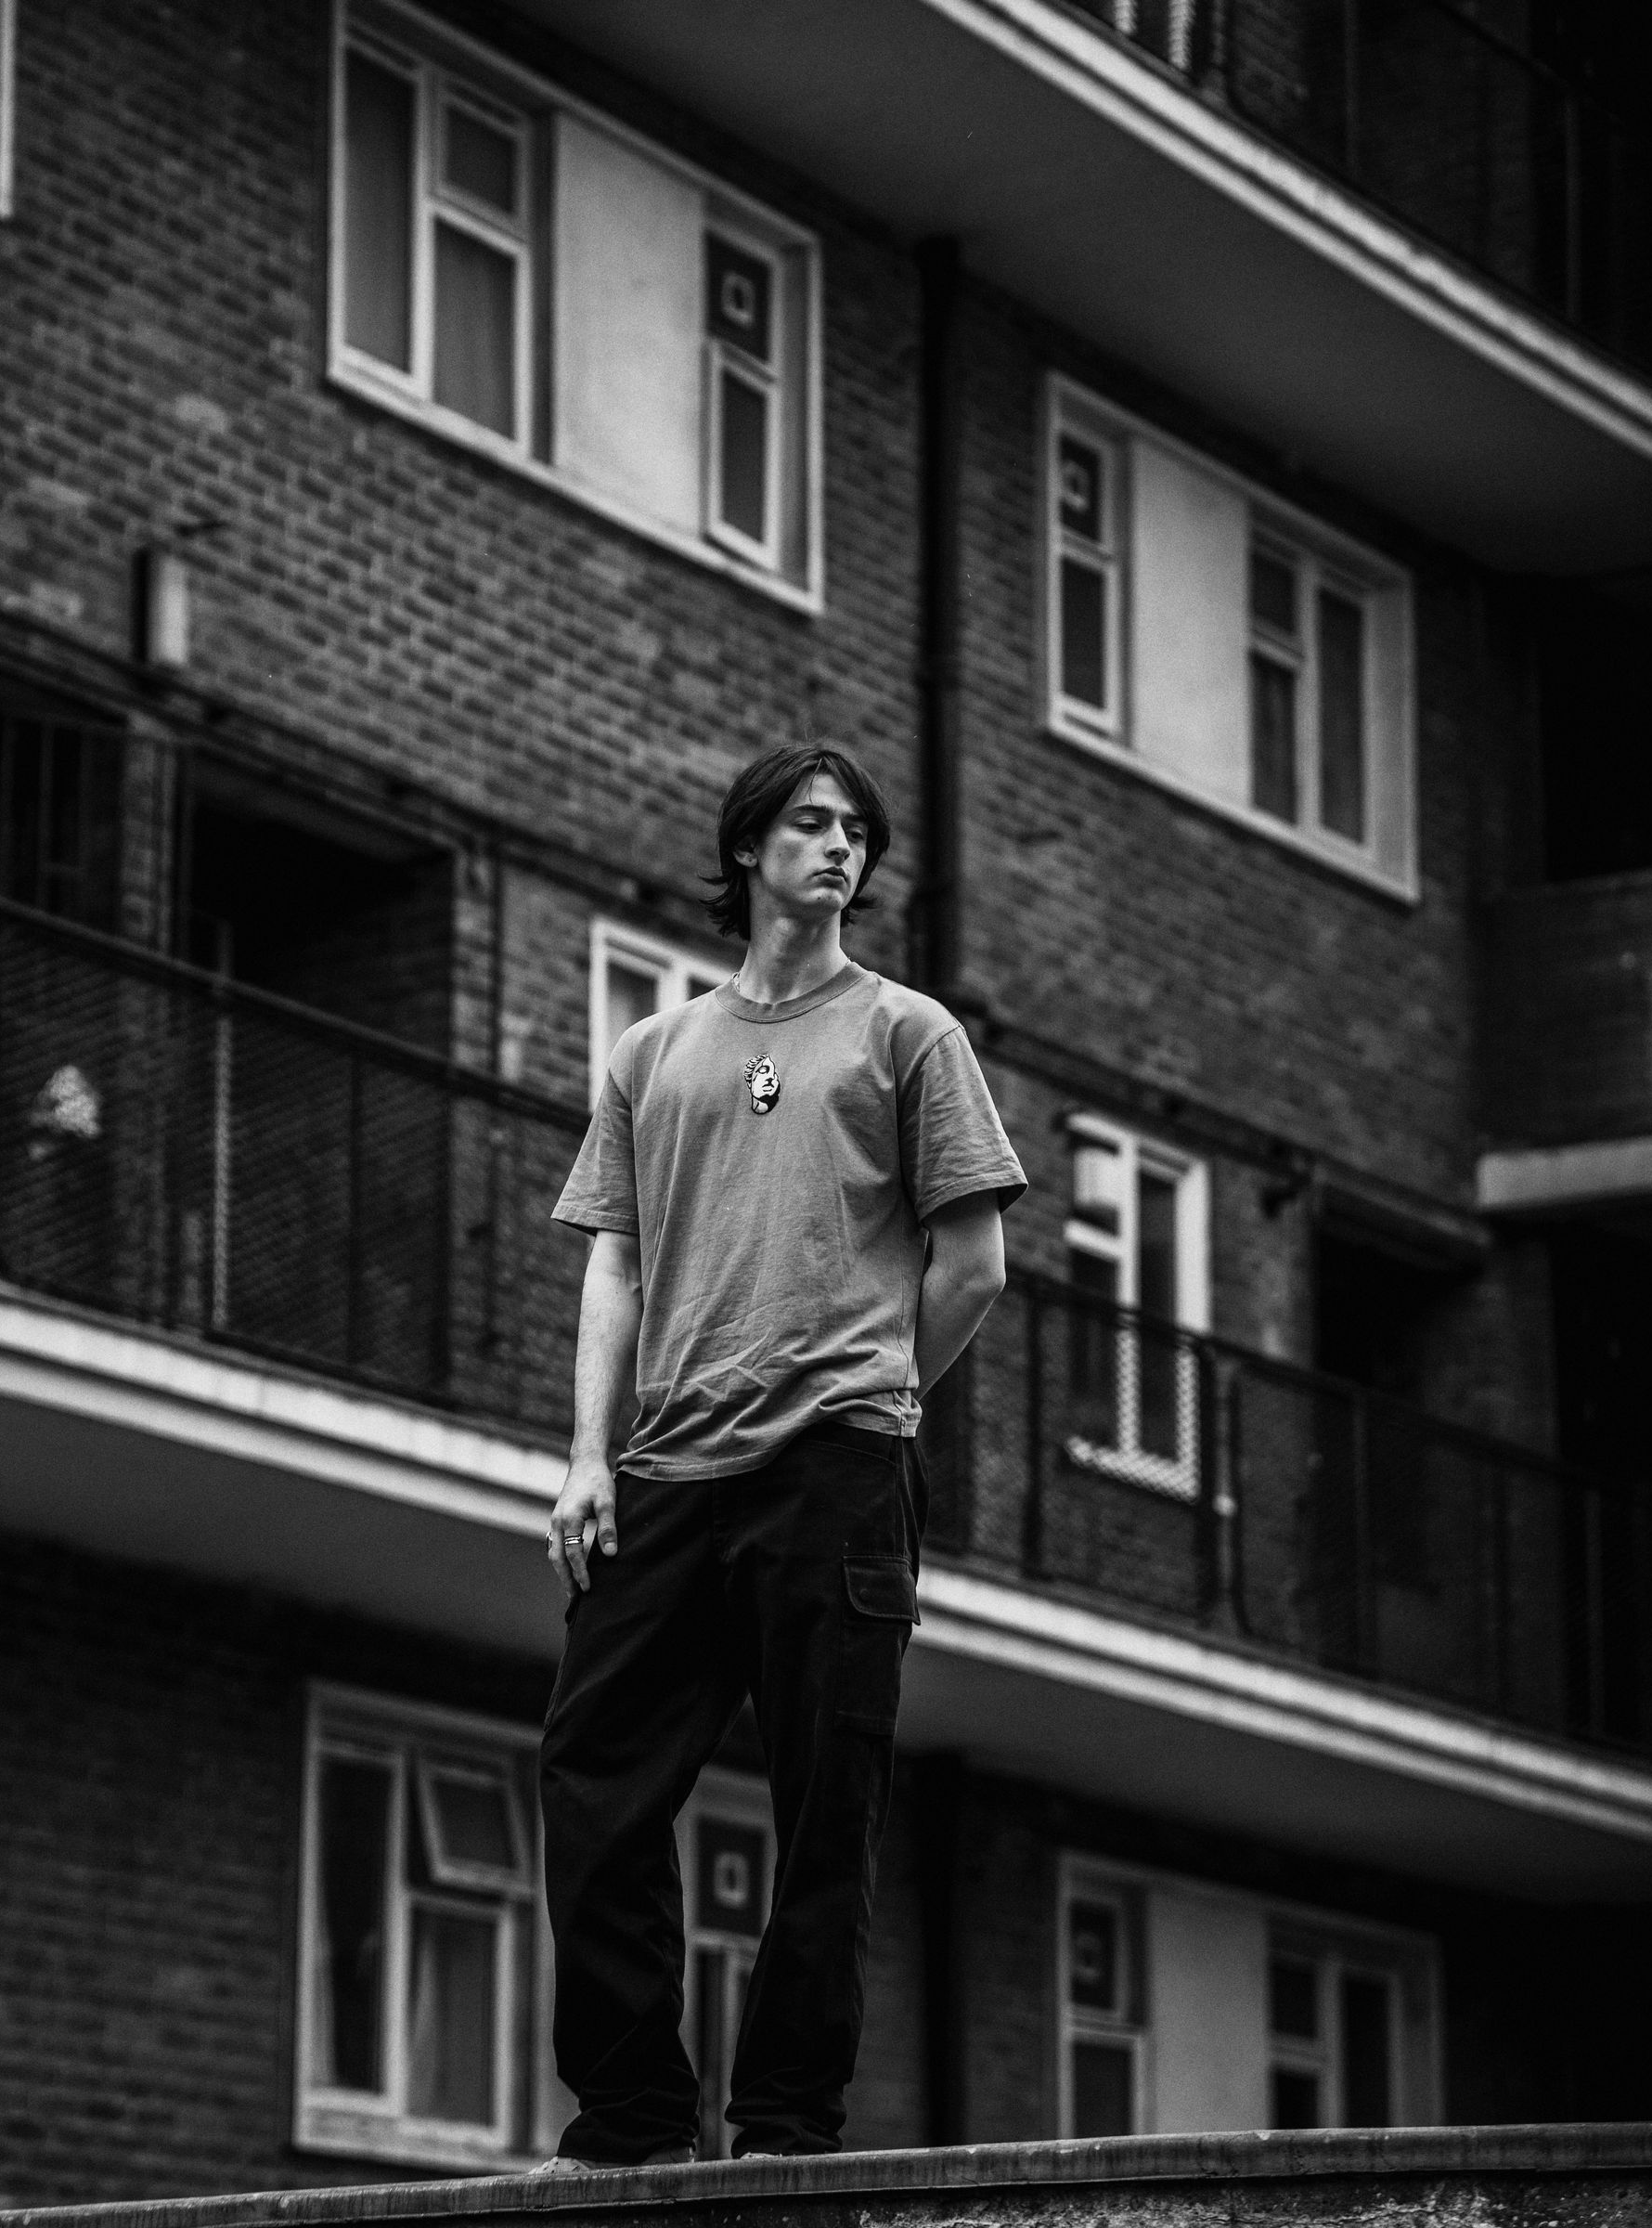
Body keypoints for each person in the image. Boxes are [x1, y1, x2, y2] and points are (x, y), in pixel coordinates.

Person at [537, 743, 1025, 2167]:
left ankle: (782, 2128)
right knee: (593, 1778)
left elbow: (974, 1264)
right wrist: (586, 1458)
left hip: (836, 1468)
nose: (839, 851)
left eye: (857, 833)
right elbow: (614, 1266)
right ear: (748, 849)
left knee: (827, 1810)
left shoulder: (909, 1033)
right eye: (809, 826)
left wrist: (880, 1392)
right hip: (666, 1477)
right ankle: (631, 2115)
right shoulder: (653, 1053)